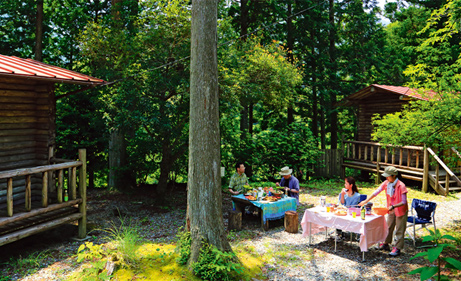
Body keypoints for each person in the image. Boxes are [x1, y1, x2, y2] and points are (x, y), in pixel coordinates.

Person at [359, 166, 408, 256]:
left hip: (400, 210)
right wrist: (365, 201)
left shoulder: (401, 186)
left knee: (399, 230)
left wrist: (393, 206)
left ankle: (397, 248)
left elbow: (403, 202)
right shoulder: (386, 183)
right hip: (391, 209)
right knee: (388, 227)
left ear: (394, 176)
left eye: (388, 176)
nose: (386, 177)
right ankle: (385, 244)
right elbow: (376, 192)